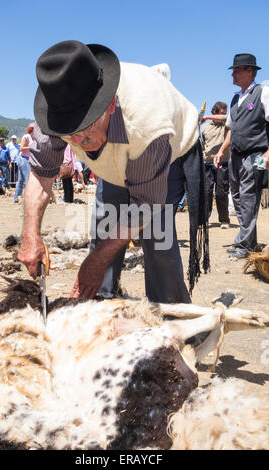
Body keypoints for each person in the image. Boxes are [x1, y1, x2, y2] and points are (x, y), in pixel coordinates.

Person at [18, 40, 209, 307]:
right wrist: (30, 234)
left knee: (157, 239)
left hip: (170, 153)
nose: (78, 142)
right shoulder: (55, 113)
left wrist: (95, 260)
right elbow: (40, 175)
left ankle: (174, 319)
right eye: (69, 134)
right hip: (119, 157)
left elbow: (146, 204)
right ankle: (100, 307)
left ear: (108, 106)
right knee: (105, 228)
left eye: (85, 130)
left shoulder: (146, 125)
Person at [215, 53, 269, 259]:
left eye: (236, 70)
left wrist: (268, 153)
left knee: (249, 197)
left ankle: (244, 245)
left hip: (256, 154)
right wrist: (221, 150)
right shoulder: (236, 99)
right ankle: (249, 240)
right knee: (237, 196)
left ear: (249, 70)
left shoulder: (263, 92)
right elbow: (231, 129)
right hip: (236, 155)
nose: (232, 74)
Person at [201, 101, 230, 228]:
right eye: (221, 112)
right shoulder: (205, 127)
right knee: (206, 192)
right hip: (207, 164)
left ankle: (224, 220)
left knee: (221, 192)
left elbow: (226, 118)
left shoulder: (227, 124)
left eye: (225, 112)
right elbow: (203, 145)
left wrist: (206, 116)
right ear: (214, 112)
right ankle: (204, 219)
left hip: (222, 163)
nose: (224, 115)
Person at [14, 124, 34, 203]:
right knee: (27, 179)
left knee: (21, 180)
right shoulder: (26, 137)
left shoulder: (33, 138)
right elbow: (21, 148)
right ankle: (27, 199)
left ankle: (17, 198)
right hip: (23, 159)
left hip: (26, 159)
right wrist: (31, 147)